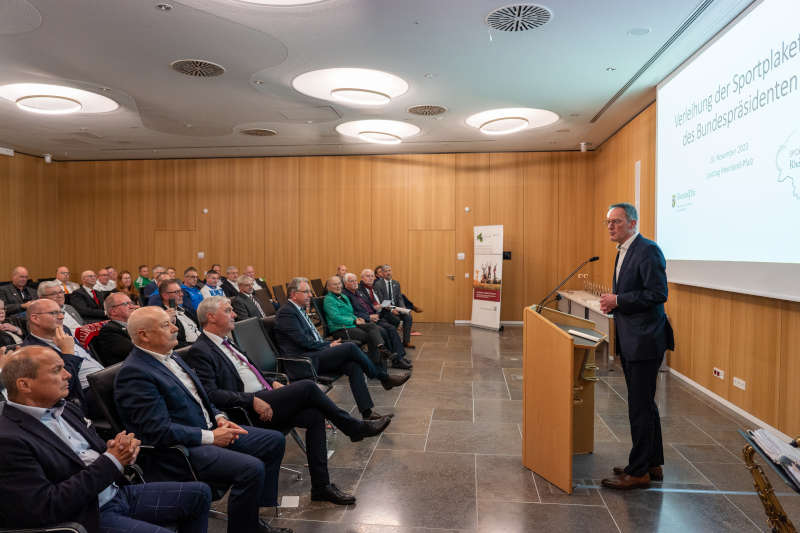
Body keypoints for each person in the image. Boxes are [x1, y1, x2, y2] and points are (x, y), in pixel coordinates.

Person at [187, 296, 391, 504]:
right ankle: (353, 427)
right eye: (228, 310)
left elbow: (250, 371)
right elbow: (211, 394)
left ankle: (321, 487)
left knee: (314, 415)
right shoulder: (200, 350)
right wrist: (251, 400)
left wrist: (272, 382)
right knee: (308, 386)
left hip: (266, 396)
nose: (235, 314)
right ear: (211, 317)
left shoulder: (227, 342)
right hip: (248, 411)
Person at [114, 306, 292, 533]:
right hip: (182, 447)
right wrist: (210, 437)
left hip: (208, 428)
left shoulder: (171, 355)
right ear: (144, 335)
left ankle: (251, 515)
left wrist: (219, 417)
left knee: (273, 440)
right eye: (165, 325)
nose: (175, 328)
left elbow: (200, 396)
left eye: (171, 322)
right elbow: (156, 430)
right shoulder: (134, 373)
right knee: (251, 468)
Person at [0, 345, 213, 533]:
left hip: (114, 492)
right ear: (24, 385)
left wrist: (120, 451)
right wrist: (111, 461)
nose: (68, 375)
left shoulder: (66, 409)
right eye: (57, 370)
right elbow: (45, 506)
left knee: (200, 493)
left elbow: (96, 454)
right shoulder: (9, 439)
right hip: (86, 514)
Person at [599, 202, 674, 490]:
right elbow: (633, 293)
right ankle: (652, 462)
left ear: (632, 223)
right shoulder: (623, 251)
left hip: (645, 340)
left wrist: (619, 301)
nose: (610, 227)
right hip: (633, 337)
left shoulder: (647, 249)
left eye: (616, 222)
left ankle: (638, 471)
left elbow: (658, 293)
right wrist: (615, 304)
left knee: (639, 408)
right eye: (608, 222)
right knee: (646, 405)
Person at [274, 278, 408, 420]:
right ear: (294, 294)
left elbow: (310, 339)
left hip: (315, 353)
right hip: (304, 360)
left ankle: (367, 413)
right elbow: (303, 342)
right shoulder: (287, 313)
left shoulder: (298, 309)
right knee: (350, 346)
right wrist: (328, 345)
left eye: (309, 291)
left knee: (353, 366)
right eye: (306, 292)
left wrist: (326, 345)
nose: (310, 295)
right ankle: (383, 377)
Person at [22, 299, 106, 415]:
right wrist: (68, 353)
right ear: (35, 318)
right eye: (54, 313)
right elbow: (61, 389)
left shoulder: (63, 330)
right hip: (86, 393)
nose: (61, 317)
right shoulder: (32, 351)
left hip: (103, 379)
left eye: (61, 312)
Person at [323, 276, 400, 368]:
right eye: (334, 284)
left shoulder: (343, 296)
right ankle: (375, 363)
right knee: (371, 336)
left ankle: (382, 351)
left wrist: (357, 318)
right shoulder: (329, 300)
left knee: (372, 326)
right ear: (328, 287)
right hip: (340, 329)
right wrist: (354, 320)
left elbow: (350, 312)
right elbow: (335, 317)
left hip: (351, 325)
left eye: (339, 283)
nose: (338, 286)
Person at [343, 273, 410, 369]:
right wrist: (368, 317)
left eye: (355, 280)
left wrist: (376, 312)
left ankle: (399, 357)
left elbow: (369, 305)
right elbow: (352, 312)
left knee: (391, 328)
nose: (354, 283)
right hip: (364, 321)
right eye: (351, 281)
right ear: (345, 284)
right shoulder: (346, 296)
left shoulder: (358, 292)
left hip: (374, 317)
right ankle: (395, 360)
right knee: (383, 331)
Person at [374, 264, 421, 348]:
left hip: (396, 307)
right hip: (385, 309)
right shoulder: (378, 284)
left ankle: (406, 341)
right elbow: (381, 300)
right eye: (386, 271)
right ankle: (394, 343)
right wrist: (392, 310)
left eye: (389, 271)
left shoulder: (396, 283)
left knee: (408, 316)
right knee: (395, 319)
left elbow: (399, 297)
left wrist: (403, 307)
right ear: (383, 273)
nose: (388, 273)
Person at [92, 292, 139, 366]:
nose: (132, 306)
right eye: (126, 304)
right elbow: (135, 351)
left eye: (131, 303)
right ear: (113, 311)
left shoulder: (135, 324)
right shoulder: (108, 331)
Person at [159, 279, 201, 347]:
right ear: (165, 296)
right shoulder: (162, 316)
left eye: (181, 291)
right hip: (189, 349)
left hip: (200, 342)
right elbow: (173, 343)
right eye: (176, 292)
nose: (181, 294)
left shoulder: (186, 310)